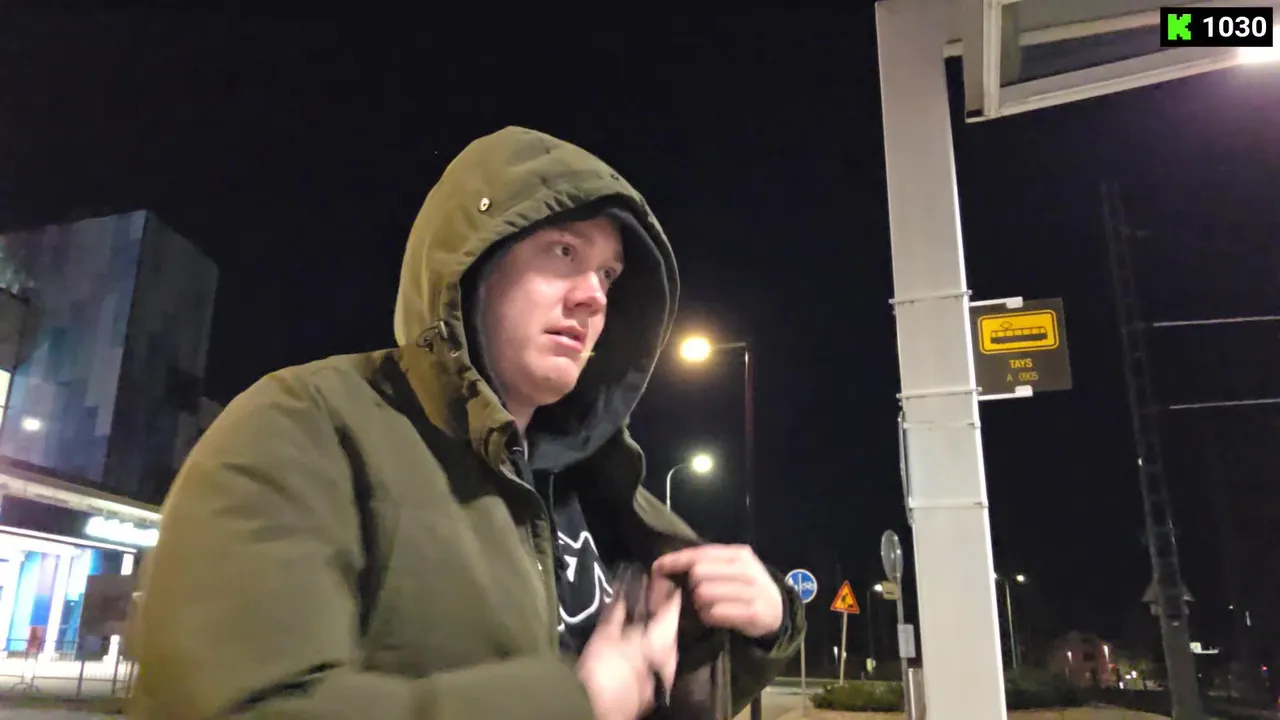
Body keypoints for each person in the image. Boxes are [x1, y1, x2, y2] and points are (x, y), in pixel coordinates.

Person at [128, 126, 804, 720]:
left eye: (608, 273)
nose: (593, 296)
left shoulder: (606, 491)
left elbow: (664, 689)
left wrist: (767, 625)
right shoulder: (305, 426)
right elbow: (237, 706)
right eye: (563, 253)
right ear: (474, 265)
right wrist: (574, 705)